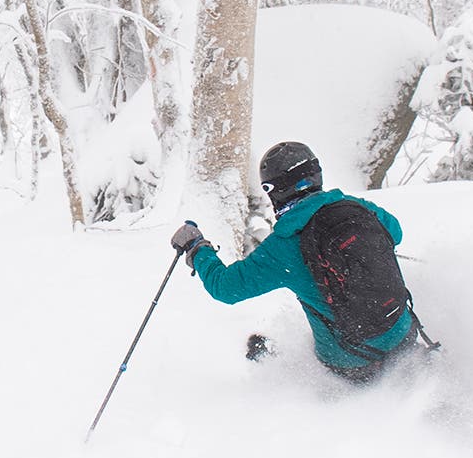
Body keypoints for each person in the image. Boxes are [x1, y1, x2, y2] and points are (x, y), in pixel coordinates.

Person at [169, 140, 425, 382]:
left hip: (352, 362)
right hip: (404, 335)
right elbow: (396, 233)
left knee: (329, 335)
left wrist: (197, 248)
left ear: (276, 192)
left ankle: (287, 370)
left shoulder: (285, 245)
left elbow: (224, 288)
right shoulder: (358, 209)